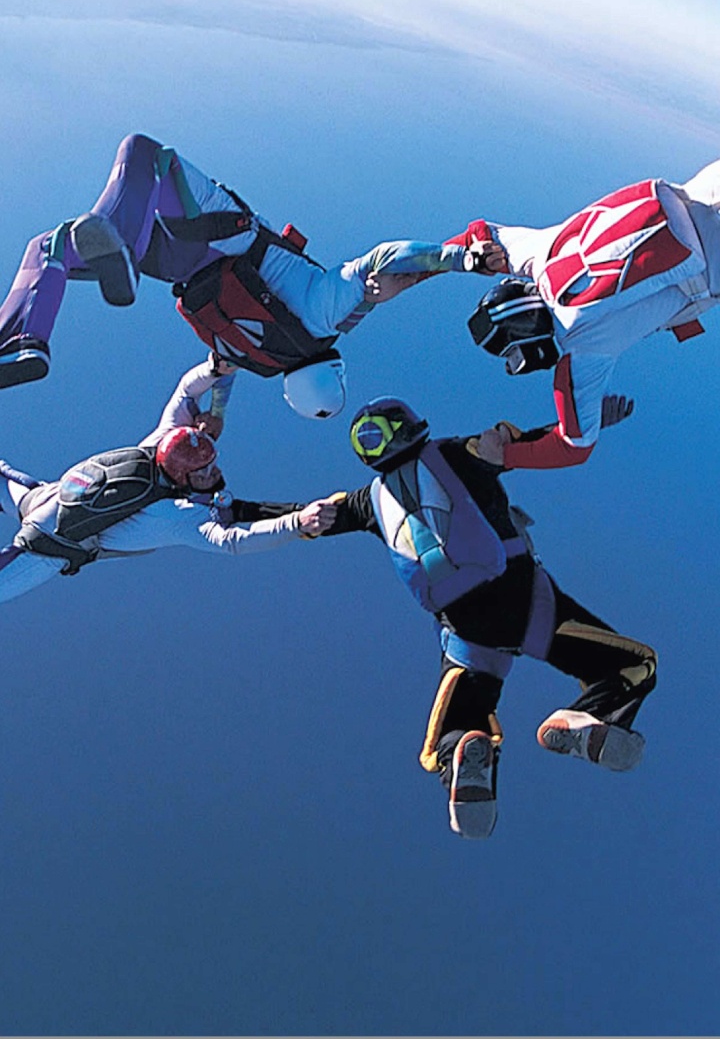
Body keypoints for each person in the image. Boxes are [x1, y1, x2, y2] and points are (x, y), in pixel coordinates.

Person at [320, 396, 656, 839]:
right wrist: (583, 421)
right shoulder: (454, 452)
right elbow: (520, 446)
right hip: (524, 597)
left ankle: (462, 747)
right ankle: (585, 718)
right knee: (633, 666)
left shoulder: (366, 502)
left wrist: (225, 509)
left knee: (458, 720)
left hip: (465, 626)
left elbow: (301, 517)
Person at [0, 133, 477, 418]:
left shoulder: (325, 316)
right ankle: (23, 342)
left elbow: (385, 257)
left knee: (144, 153)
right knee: (51, 246)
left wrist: (455, 258)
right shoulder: (259, 360)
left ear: (333, 366)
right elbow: (218, 370)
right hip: (171, 267)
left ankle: (91, 269)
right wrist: (217, 418)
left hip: (221, 237)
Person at [450, 157, 720, 468]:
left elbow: (572, 448)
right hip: (702, 190)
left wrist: (502, 455)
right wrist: (410, 272)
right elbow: (478, 235)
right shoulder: (538, 255)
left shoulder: (578, 352)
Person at [0, 359, 338, 604]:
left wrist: (217, 375)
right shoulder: (175, 513)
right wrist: (297, 523)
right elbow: (233, 541)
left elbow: (188, 388)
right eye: (205, 470)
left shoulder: (162, 441)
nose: (215, 471)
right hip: (45, 545)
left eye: (211, 464)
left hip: (44, 501)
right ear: (182, 477)